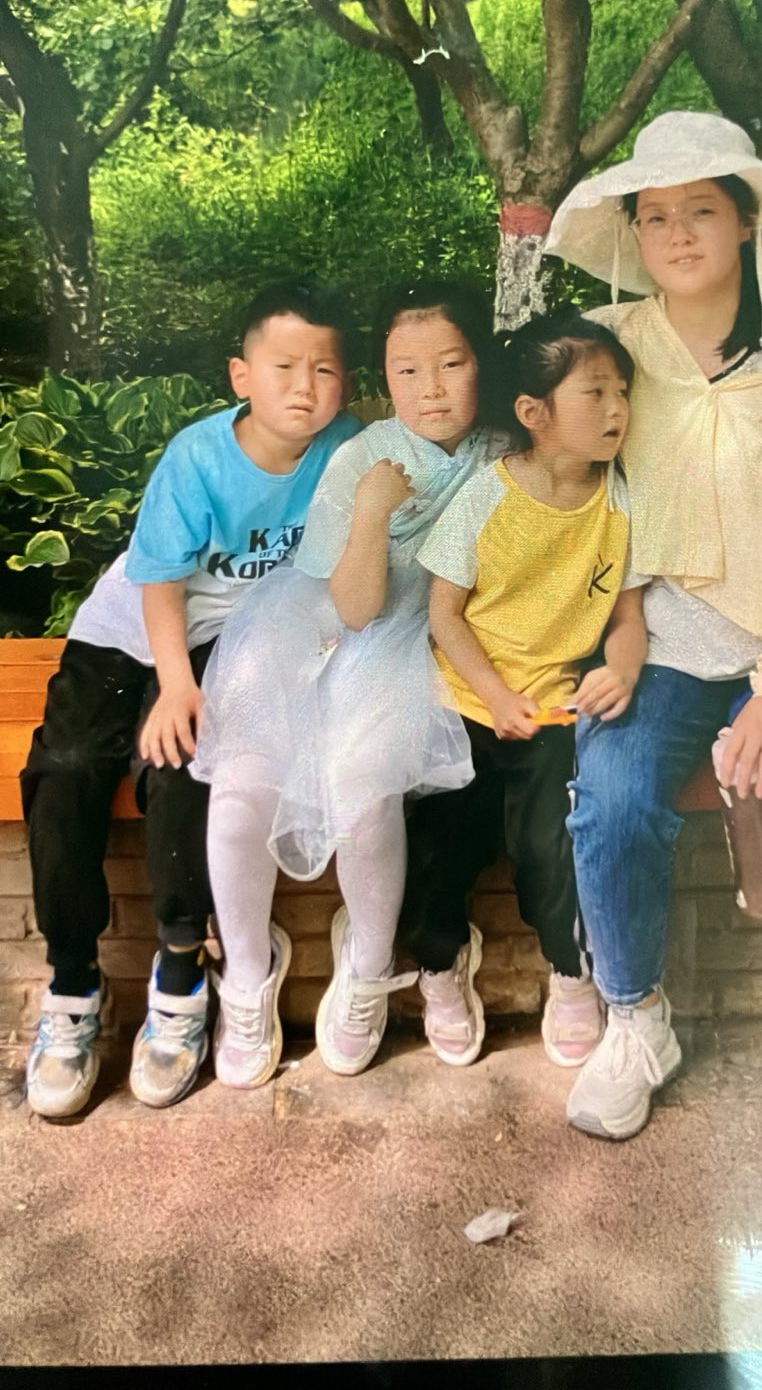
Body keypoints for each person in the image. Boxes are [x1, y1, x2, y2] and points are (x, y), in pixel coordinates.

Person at [545, 110, 762, 1236]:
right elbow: (552, 485)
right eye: (655, 216)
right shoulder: (606, 351)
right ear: (634, 234)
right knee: (611, 796)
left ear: (746, 222)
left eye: (702, 209)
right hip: (651, 642)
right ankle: (636, 1019)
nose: (678, 233)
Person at [22, 279, 361, 1117]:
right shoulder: (198, 457)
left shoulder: (347, 449)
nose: (305, 386)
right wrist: (174, 684)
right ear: (241, 375)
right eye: (283, 366)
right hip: (132, 626)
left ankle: (180, 975)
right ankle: (72, 984)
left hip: (231, 638)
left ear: (346, 382)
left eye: (324, 368)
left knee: (183, 767)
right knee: (67, 766)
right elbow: (161, 585)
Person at [192, 279, 509, 1086]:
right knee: (243, 787)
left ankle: (367, 968)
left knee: (363, 792)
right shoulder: (363, 456)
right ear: (384, 379)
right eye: (407, 371)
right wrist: (371, 511)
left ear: (481, 362)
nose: (431, 388)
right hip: (321, 617)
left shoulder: (504, 452)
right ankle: (247, 977)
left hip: (412, 636)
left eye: (451, 364)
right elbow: (355, 606)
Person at [401, 308, 646, 1069]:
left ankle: (571, 974)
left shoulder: (621, 500)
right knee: (441, 845)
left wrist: (623, 667)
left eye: (621, 392)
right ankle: (440, 965)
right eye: (595, 393)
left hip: (555, 709)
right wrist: (495, 695)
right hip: (465, 703)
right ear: (535, 414)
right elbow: (444, 612)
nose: (616, 409)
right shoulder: (489, 495)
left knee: (552, 847)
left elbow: (628, 617)